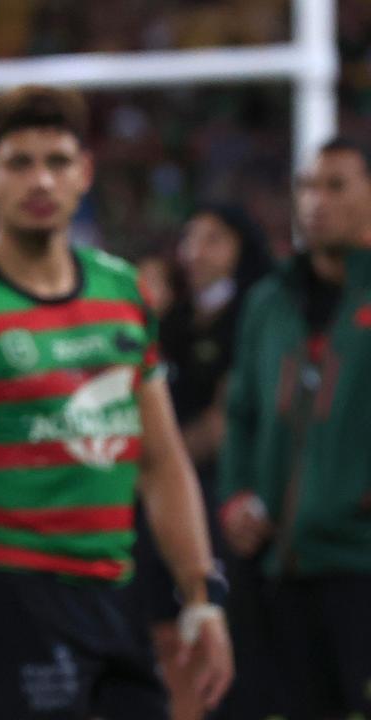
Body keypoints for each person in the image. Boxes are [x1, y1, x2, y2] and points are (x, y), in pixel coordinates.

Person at [0, 85, 233, 720]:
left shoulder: (123, 290)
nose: (41, 179)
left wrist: (202, 595)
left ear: (85, 173)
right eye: (20, 162)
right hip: (7, 597)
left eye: (58, 161)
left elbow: (162, 460)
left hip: (118, 593)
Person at [219, 137, 371, 720]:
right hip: (279, 564)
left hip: (360, 563)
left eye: (336, 186)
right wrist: (234, 499)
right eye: (308, 187)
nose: (317, 202)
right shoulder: (267, 302)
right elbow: (241, 416)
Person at [130, 206, 272, 720]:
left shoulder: (254, 316)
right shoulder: (177, 320)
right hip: (158, 497)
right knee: (163, 630)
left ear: (242, 247)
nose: (195, 251)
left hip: (213, 496)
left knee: (208, 626)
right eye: (190, 237)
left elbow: (223, 422)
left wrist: (155, 457)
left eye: (214, 239)